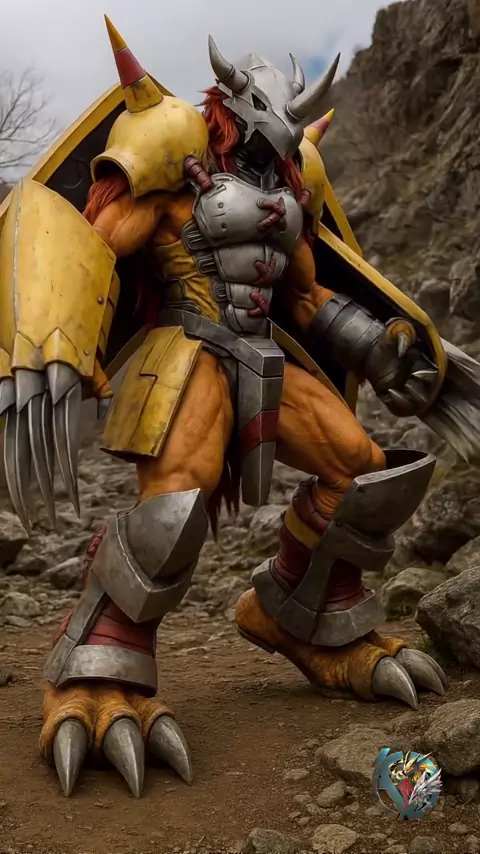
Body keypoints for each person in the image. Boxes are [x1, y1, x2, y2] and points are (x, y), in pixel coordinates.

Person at [0, 17, 453, 799]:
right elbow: (97, 240)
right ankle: (98, 666)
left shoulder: (289, 194)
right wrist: (65, 332)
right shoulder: (172, 170)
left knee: (364, 469)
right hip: (186, 347)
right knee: (176, 503)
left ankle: (303, 615)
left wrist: (378, 350)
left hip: (262, 354)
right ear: (229, 108)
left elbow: (304, 296)